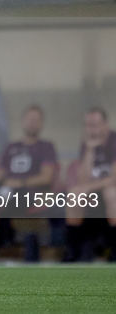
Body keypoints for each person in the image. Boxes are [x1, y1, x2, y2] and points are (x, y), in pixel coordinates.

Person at [0, 105, 57, 262]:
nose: (32, 123)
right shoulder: (12, 147)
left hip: (28, 193)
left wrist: (20, 182)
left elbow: (46, 177)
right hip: (5, 189)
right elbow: (3, 171)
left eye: (37, 120)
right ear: (23, 121)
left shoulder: (46, 147)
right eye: (30, 119)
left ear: (41, 123)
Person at [63, 107, 116, 262]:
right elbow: (83, 180)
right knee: (74, 194)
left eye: (94, 125)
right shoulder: (86, 144)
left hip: (110, 193)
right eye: (87, 125)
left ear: (105, 124)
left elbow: (114, 178)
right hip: (94, 196)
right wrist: (90, 150)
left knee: (111, 193)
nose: (90, 129)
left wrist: (89, 187)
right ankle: (73, 251)